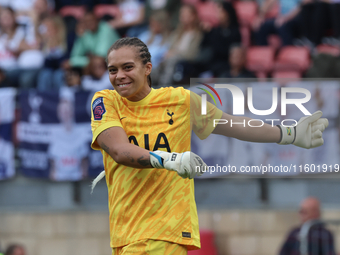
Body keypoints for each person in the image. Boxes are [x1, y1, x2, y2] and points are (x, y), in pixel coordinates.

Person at [90, 37, 328, 254]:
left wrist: (288, 133)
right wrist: (171, 159)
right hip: (124, 235)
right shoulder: (106, 101)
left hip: (162, 232)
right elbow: (119, 151)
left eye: (127, 67)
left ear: (147, 68)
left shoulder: (180, 100)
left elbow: (233, 124)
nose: (119, 75)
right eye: (113, 70)